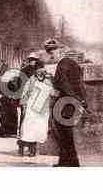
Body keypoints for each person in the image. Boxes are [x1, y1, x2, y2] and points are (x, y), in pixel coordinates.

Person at [45, 39, 87, 167]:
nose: (51, 55)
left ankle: (71, 162)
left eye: (53, 51)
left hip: (65, 103)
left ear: (61, 51)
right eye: (49, 52)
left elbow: (63, 84)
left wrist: (71, 98)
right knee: (65, 133)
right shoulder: (73, 63)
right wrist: (81, 100)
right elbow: (79, 84)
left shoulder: (61, 65)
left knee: (63, 134)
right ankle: (65, 161)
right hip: (71, 102)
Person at [19, 65, 54, 157]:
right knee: (28, 127)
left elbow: (52, 92)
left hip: (42, 109)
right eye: (39, 70)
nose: (41, 72)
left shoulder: (48, 81)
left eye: (43, 70)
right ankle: (23, 146)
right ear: (36, 71)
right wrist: (24, 104)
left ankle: (32, 149)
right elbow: (25, 92)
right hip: (31, 107)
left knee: (38, 128)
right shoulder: (31, 80)